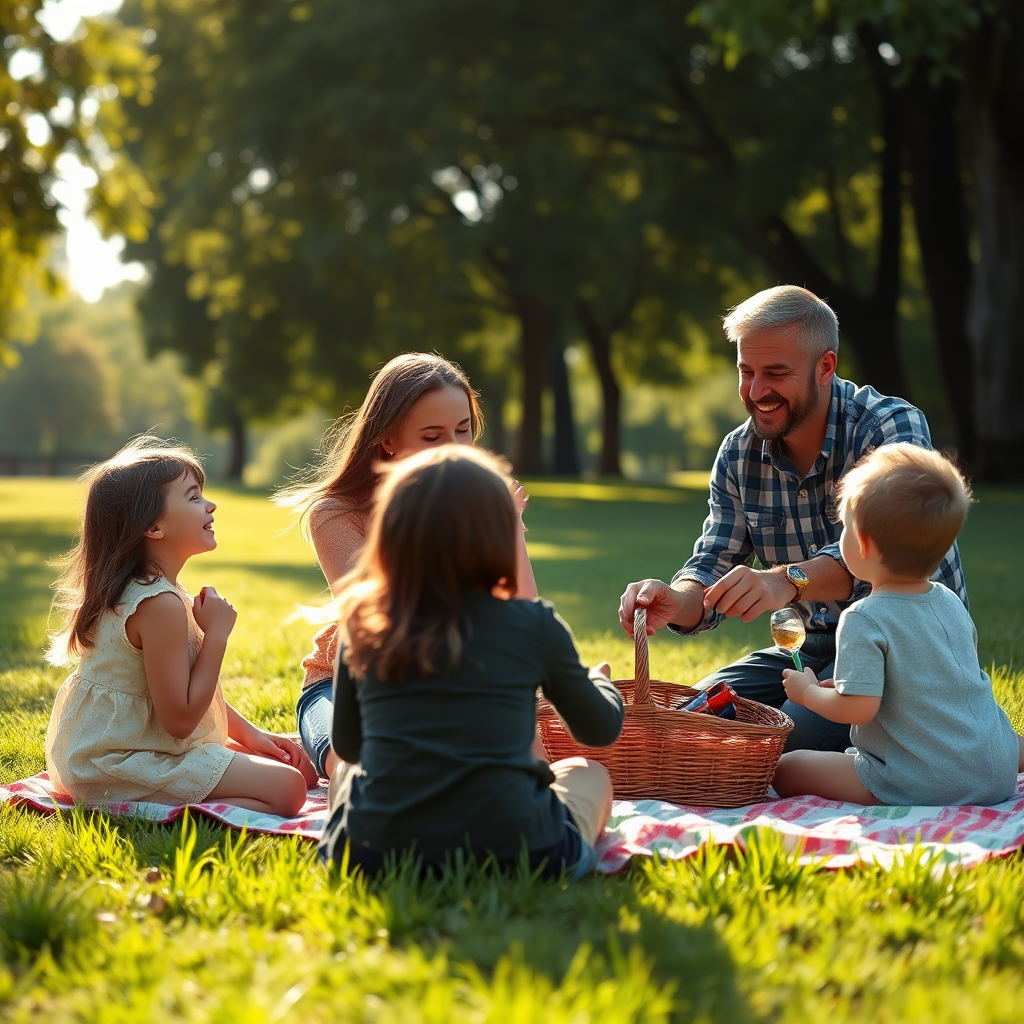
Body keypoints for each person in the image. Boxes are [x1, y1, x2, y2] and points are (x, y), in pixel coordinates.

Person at [618, 285, 967, 753]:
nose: (757, 391)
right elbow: (712, 564)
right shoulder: (739, 454)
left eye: (776, 373)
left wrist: (787, 581)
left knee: (771, 741)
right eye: (746, 372)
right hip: (806, 649)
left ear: (826, 366)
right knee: (693, 718)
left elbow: (883, 553)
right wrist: (675, 599)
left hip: (907, 650)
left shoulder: (888, 428)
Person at [318, 445, 623, 877]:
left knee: (349, 772)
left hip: (375, 857)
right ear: (498, 534)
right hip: (523, 853)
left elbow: (349, 746)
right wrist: (599, 683)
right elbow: (599, 728)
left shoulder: (364, 623)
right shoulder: (532, 623)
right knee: (587, 773)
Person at [277, 353, 538, 780]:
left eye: (463, 430)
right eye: (433, 437)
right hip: (350, 691)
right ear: (388, 441)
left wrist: (508, 528)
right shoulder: (336, 515)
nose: (455, 450)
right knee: (360, 769)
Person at [44, 436, 313, 817]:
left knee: (286, 770)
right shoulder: (159, 605)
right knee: (288, 789)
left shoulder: (154, 591)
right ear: (153, 527)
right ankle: (163, 810)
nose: (211, 504)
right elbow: (181, 720)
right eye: (193, 497)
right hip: (118, 764)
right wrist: (217, 635)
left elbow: (175, 691)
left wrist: (255, 738)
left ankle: (199, 791)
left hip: (122, 750)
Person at [773, 443, 1024, 804]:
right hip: (997, 769)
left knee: (788, 768)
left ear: (863, 544)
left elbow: (858, 710)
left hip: (922, 780)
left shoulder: (863, 616)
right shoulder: (949, 601)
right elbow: (940, 683)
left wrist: (807, 692)